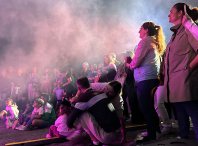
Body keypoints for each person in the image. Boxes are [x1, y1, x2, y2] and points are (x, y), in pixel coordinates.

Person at [165, 2, 198, 140]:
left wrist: (188, 69)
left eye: (172, 11)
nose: (168, 14)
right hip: (175, 81)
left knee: (192, 110)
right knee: (180, 109)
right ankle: (183, 136)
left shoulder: (188, 30)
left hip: (184, 80)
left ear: (180, 13)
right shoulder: (175, 34)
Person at [130, 21, 166, 143]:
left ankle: (153, 135)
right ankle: (155, 132)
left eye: (140, 29)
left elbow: (136, 61)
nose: (138, 31)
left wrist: (130, 64)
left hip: (146, 79)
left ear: (146, 30)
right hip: (149, 78)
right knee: (149, 107)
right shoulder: (151, 42)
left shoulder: (145, 42)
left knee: (147, 108)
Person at [67, 77, 124, 145]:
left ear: (79, 88)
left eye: (110, 92)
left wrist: (69, 125)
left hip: (107, 136)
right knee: (95, 110)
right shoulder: (102, 93)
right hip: (117, 133)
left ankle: (95, 142)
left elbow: (72, 116)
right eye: (107, 89)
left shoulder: (85, 97)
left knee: (81, 113)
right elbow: (113, 112)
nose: (106, 91)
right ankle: (101, 140)